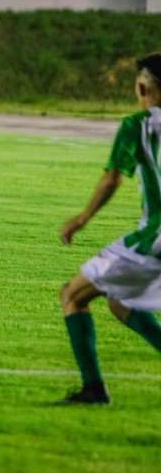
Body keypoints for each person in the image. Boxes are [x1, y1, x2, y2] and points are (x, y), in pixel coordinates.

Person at [57, 53, 161, 405]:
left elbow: (113, 178)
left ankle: (93, 389)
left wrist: (82, 218)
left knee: (72, 294)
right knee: (121, 300)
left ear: (142, 87)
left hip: (154, 238)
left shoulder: (139, 125)